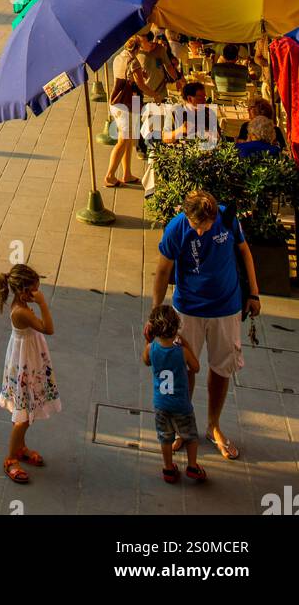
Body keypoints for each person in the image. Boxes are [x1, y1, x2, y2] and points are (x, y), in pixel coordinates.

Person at [151, 189, 260, 461]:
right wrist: (155, 313)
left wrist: (254, 293)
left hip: (227, 307)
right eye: (194, 226)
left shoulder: (227, 219)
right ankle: (182, 427)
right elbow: (163, 270)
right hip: (188, 309)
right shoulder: (177, 227)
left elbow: (245, 253)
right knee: (184, 367)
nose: (199, 232)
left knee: (221, 369)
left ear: (213, 216)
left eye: (204, 227)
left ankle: (214, 426)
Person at [0, 263, 60, 484]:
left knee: (29, 410)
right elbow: (48, 328)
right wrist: (43, 304)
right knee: (22, 417)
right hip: (25, 363)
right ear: (24, 291)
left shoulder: (20, 303)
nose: (38, 293)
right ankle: (11, 458)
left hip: (28, 360)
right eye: (35, 290)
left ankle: (21, 447)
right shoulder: (21, 311)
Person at [143, 304, 205, 484]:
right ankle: (192, 466)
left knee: (165, 437)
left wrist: (148, 341)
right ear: (177, 327)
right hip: (181, 405)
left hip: (161, 404)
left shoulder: (151, 349)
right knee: (191, 436)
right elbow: (196, 368)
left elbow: (146, 362)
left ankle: (168, 468)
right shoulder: (181, 352)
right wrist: (184, 342)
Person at [104, 36, 159, 187]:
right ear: (137, 48)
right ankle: (109, 176)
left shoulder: (118, 58)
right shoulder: (133, 62)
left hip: (117, 101)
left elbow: (127, 77)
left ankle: (127, 173)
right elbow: (141, 86)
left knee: (128, 139)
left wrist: (138, 76)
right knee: (123, 140)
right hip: (126, 104)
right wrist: (156, 95)